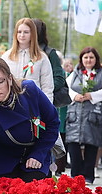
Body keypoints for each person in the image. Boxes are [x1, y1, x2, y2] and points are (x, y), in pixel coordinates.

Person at [0, 57, 59, 182]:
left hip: (35, 156)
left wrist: (39, 154)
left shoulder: (29, 91)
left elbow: (52, 122)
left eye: (0, 81)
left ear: (9, 79)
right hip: (3, 161)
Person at [65, 47, 102, 185]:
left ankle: (88, 176)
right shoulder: (75, 73)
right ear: (81, 59)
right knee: (73, 144)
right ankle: (76, 175)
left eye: (91, 57)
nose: (88, 60)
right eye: (86, 57)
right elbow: (67, 88)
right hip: (75, 114)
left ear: (96, 59)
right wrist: (75, 96)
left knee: (91, 144)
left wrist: (92, 96)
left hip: (93, 114)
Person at [32, 18, 67, 176]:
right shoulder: (16, 54)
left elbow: (59, 79)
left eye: (29, 30)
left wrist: (38, 88)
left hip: (43, 105)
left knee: (44, 143)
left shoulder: (50, 53)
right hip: (23, 107)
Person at [1, 18, 54, 102]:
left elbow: (47, 87)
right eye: (19, 32)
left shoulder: (42, 57)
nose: (22, 35)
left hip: (34, 103)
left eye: (26, 32)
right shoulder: (6, 57)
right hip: (12, 103)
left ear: (32, 34)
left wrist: (47, 108)